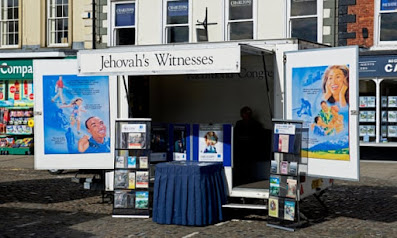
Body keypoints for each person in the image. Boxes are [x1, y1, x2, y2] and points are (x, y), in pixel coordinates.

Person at [233, 106, 269, 186]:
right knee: (240, 169)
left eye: (248, 113)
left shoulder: (256, 124)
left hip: (252, 151)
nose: (247, 115)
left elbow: (259, 138)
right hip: (240, 151)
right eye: (245, 113)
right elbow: (235, 136)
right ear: (241, 115)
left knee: (250, 170)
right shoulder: (239, 124)